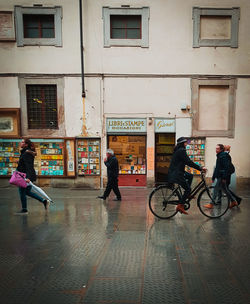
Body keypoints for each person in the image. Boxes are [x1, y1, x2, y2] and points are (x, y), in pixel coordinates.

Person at [167, 137, 206, 215]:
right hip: (177, 173)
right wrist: (200, 168)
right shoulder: (181, 151)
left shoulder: (179, 150)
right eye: (185, 142)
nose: (186, 144)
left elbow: (187, 162)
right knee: (188, 189)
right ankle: (180, 206)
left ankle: (187, 194)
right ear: (182, 143)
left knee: (190, 176)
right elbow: (188, 162)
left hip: (177, 171)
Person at [15, 138, 49, 215]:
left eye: (22, 142)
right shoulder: (25, 152)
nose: (21, 143)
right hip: (26, 174)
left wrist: (28, 178)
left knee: (22, 192)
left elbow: (29, 166)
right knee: (27, 192)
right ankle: (44, 201)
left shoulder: (26, 153)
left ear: (26, 144)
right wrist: (19, 162)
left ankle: (24, 210)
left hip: (25, 175)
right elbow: (25, 164)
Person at [204, 144, 241, 209]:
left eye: (217, 149)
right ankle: (233, 201)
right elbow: (217, 168)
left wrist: (224, 177)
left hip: (222, 176)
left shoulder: (224, 155)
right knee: (225, 189)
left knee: (216, 189)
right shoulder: (219, 155)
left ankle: (211, 204)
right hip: (220, 175)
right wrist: (213, 177)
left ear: (221, 149)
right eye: (216, 148)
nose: (216, 150)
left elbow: (226, 167)